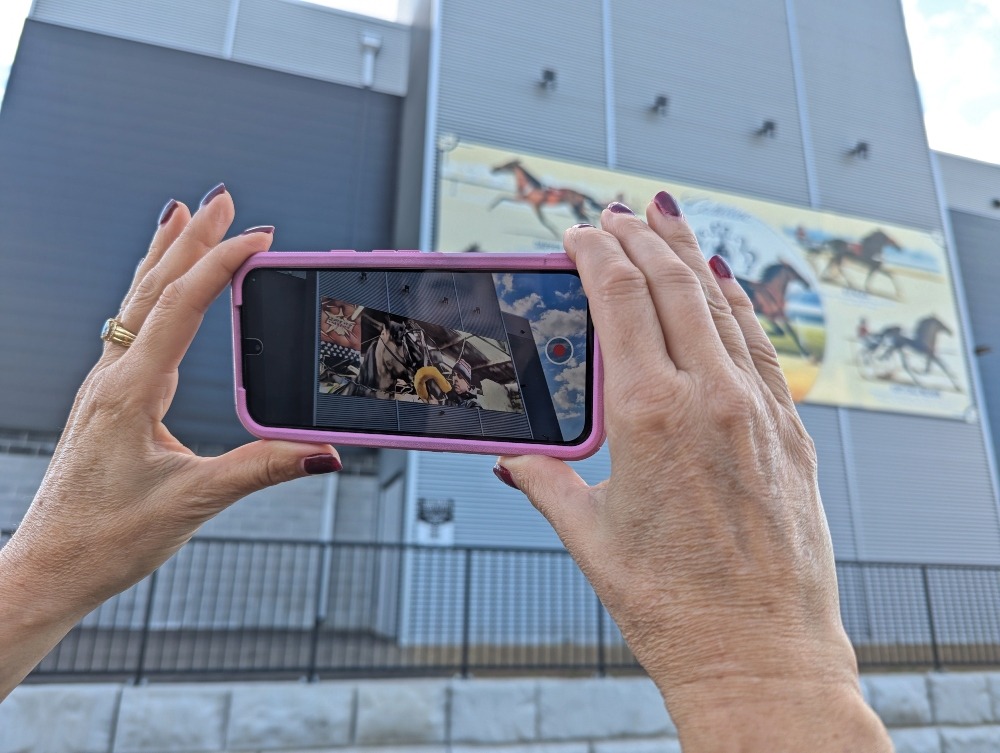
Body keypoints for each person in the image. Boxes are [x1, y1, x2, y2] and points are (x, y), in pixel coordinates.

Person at [0, 185, 892, 751]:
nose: (459, 311)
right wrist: (772, 677)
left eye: (468, 301)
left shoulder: (496, 368)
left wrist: (35, 578)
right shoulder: (404, 358)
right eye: (438, 299)